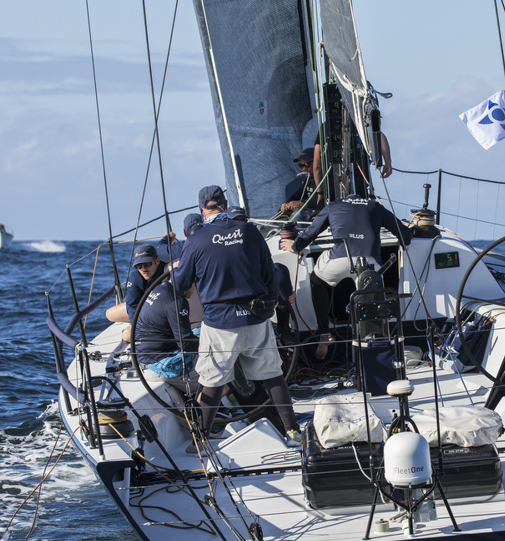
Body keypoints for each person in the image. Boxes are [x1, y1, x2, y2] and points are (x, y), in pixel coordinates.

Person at [174, 187, 300, 446]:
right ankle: (292, 430)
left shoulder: (195, 240)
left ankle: (202, 439)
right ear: (225, 204)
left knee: (212, 381)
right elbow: (270, 274)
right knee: (272, 375)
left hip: (220, 323)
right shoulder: (250, 231)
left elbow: (181, 284)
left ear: (201, 210)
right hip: (256, 317)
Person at [288, 194, 413, 358]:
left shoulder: (333, 205)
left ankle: (324, 334)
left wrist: (295, 246)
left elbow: (311, 232)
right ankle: (377, 347)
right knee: (373, 306)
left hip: (340, 258)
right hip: (370, 263)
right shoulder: (375, 206)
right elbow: (404, 235)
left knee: (316, 281)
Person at [122, 278, 198, 391]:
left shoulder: (159, 288)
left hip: (143, 360)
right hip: (160, 367)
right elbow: (185, 343)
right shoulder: (177, 300)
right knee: (221, 376)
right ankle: (204, 408)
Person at [105, 244, 165, 324]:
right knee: (110, 314)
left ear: (157, 260)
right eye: (139, 265)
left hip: (166, 310)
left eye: (147, 264)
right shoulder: (135, 277)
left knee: (126, 335)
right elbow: (133, 305)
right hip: (146, 308)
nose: (143, 269)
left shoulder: (170, 272)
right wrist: (136, 327)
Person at [279, 148, 318, 216]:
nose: (304, 169)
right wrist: (285, 205)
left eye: (306, 165)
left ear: (317, 163)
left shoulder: (327, 180)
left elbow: (323, 201)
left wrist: (301, 203)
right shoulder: (308, 181)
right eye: (301, 166)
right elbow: (295, 197)